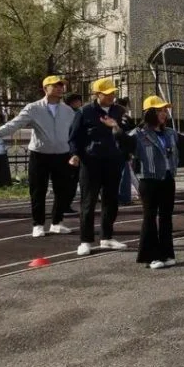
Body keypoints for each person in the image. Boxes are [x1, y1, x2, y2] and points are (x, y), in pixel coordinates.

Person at [0, 75, 77, 238]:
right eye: (56, 85)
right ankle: (38, 224)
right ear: (46, 88)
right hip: (40, 155)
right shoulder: (33, 108)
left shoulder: (68, 111)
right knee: (38, 190)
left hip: (62, 155)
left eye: (62, 85)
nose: (60, 88)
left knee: (63, 191)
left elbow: (75, 131)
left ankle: (56, 223)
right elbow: (14, 124)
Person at [131, 96, 184, 269]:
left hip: (168, 180)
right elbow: (123, 146)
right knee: (149, 218)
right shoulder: (138, 134)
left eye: (165, 110)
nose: (164, 114)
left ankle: (167, 253)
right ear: (149, 113)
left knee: (166, 218)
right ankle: (151, 256)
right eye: (159, 110)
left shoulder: (170, 133)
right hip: (148, 181)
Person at [69, 78, 135, 256]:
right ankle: (85, 240)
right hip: (91, 162)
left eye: (113, 93)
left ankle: (107, 237)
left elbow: (127, 133)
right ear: (97, 94)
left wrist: (126, 153)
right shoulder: (85, 112)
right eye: (107, 94)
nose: (112, 96)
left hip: (113, 161)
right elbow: (74, 137)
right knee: (88, 202)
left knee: (111, 200)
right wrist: (75, 154)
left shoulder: (119, 111)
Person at [64, 93, 84, 213]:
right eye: (78, 101)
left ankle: (66, 204)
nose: (80, 103)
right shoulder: (74, 114)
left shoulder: (78, 112)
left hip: (73, 150)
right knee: (71, 179)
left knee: (73, 179)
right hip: (70, 151)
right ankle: (65, 204)